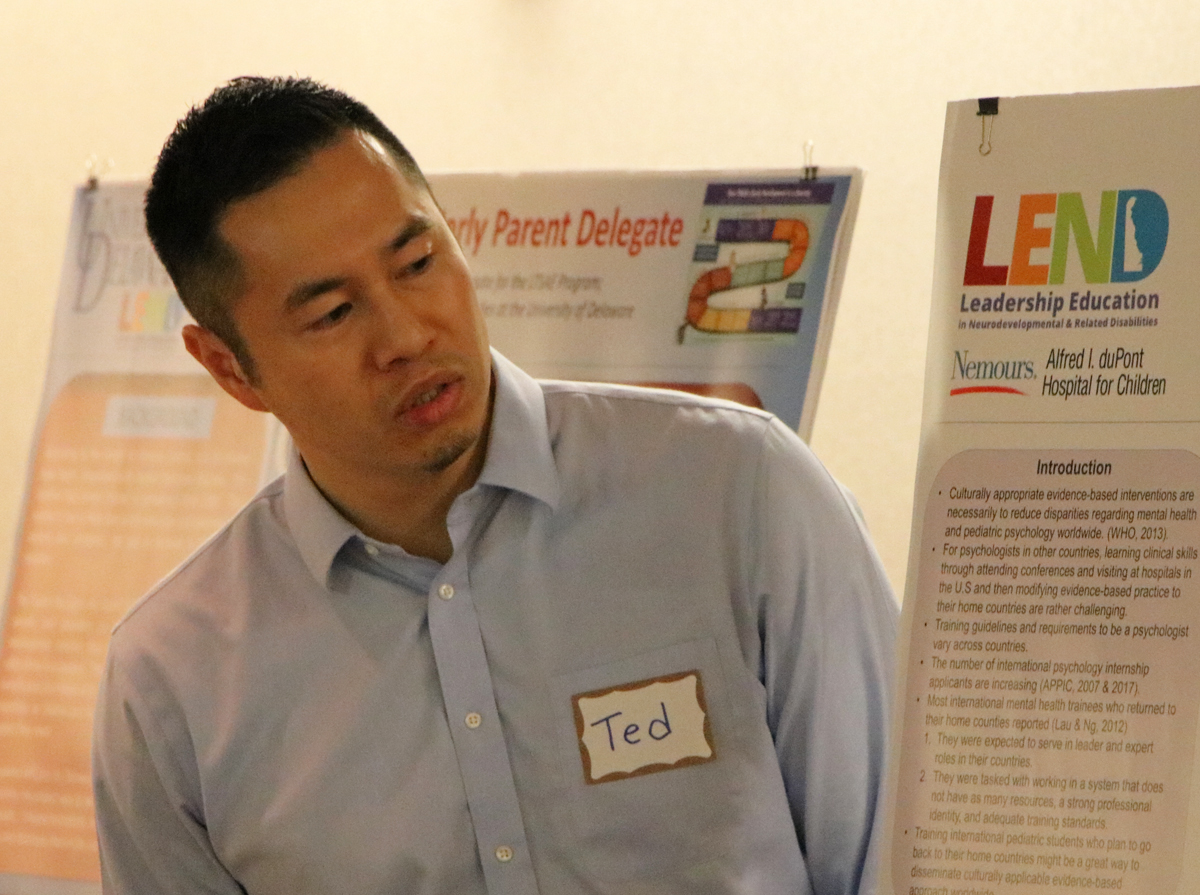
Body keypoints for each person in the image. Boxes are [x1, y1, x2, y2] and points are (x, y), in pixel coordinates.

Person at [92, 76, 898, 895]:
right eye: (334, 313)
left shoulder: (738, 492)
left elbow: (897, 857)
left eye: (417, 261)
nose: (407, 334)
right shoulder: (174, 678)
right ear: (230, 368)